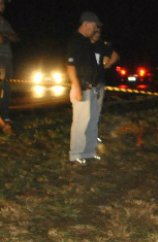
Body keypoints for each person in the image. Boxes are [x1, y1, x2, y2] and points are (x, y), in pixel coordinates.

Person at [66, 11, 102, 164]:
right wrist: (77, 88)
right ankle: (75, 155)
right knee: (81, 123)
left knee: (92, 122)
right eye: (94, 26)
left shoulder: (86, 42)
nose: (95, 30)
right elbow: (70, 66)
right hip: (81, 88)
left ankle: (88, 152)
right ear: (86, 24)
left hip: (91, 88)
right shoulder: (75, 41)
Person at [91, 27, 119, 142]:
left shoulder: (101, 45)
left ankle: (94, 135)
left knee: (96, 110)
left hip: (99, 83)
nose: (97, 34)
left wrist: (107, 64)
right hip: (87, 84)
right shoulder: (83, 45)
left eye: (99, 32)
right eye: (95, 32)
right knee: (87, 111)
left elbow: (115, 56)